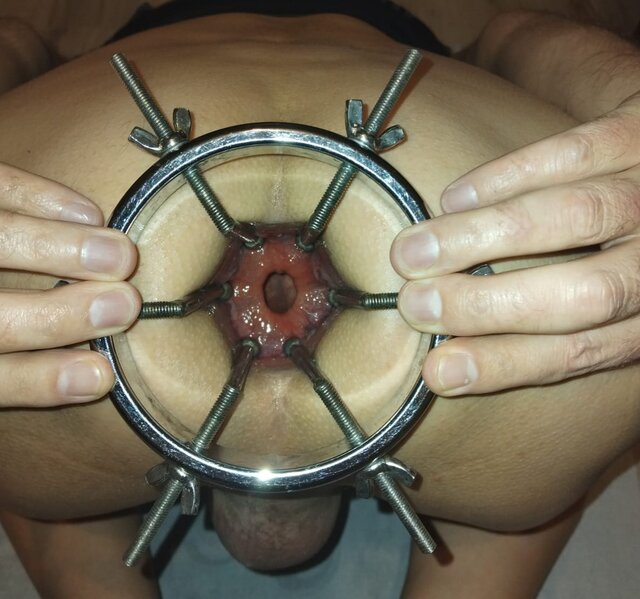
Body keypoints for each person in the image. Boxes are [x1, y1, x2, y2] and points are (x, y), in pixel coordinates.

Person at [0, 6, 638, 599]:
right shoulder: (513, 486)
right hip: (500, 315)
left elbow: (18, 43)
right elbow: (509, 37)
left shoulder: (44, 483)